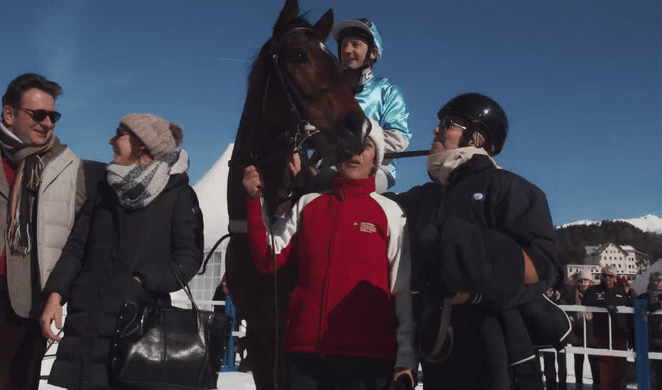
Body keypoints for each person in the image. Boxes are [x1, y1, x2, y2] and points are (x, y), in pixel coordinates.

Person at [387, 93, 569, 390]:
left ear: (476, 138)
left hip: (498, 350)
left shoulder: (511, 188)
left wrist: (471, 285)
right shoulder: (426, 197)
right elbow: (374, 207)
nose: (435, 130)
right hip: (440, 352)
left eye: (447, 124)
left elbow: (543, 268)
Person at [243, 122, 416, 389]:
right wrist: (254, 203)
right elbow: (269, 259)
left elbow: (401, 291)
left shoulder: (391, 212)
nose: (354, 153)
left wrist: (405, 357)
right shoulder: (309, 204)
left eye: (365, 145)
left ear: (376, 158)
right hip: (304, 356)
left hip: (367, 362)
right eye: (347, 145)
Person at [40, 113, 204, 389]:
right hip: (86, 324)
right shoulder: (103, 192)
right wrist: (56, 295)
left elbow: (189, 257)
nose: (111, 141)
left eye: (119, 134)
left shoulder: (178, 195)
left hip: (138, 327)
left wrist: (141, 283)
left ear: (141, 144)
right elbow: (77, 248)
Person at [0, 73, 86, 390]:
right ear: (9, 114)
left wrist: (61, 294)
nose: (47, 123)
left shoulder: (67, 165)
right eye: (38, 114)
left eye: (53, 115)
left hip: (30, 299)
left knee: (19, 384)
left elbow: (78, 237)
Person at [331, 18, 410, 192]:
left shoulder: (388, 90)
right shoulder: (330, 93)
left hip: (376, 170)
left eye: (355, 44)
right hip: (332, 167)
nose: (347, 50)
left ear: (373, 53)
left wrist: (358, 146)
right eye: (343, 45)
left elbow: (400, 139)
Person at [582, 265, 632, 390]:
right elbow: (587, 301)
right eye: (604, 276)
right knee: (605, 367)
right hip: (602, 335)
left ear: (615, 278)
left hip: (619, 335)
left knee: (619, 367)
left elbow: (630, 303)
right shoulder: (594, 290)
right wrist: (603, 305)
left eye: (610, 276)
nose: (607, 279)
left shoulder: (621, 289)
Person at [561, 270, 599, 390]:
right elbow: (565, 306)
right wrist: (571, 316)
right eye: (581, 280)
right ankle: (578, 383)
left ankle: (597, 383)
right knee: (578, 360)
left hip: (592, 331)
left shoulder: (594, 293)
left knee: (594, 359)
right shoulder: (572, 294)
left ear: (590, 281)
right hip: (577, 331)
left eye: (586, 280)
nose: (583, 283)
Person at [541, 287, 567, 390]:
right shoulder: (541, 299)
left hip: (560, 335)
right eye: (548, 290)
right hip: (547, 335)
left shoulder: (560, 299)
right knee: (549, 362)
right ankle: (551, 386)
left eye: (551, 290)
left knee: (562, 362)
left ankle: (562, 386)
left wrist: (559, 299)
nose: (550, 292)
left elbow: (566, 309)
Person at [640, 271, 662, 390]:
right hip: (652, 339)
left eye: (660, 281)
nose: (657, 284)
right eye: (655, 281)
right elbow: (638, 305)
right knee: (654, 373)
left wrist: (659, 305)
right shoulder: (646, 296)